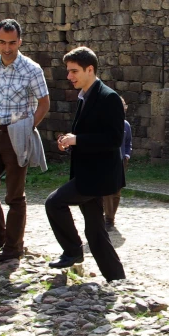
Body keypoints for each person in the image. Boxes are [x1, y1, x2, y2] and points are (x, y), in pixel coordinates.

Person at [45, 47, 126, 282]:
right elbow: (90, 133)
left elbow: (113, 139)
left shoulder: (108, 97)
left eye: (74, 71)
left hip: (96, 177)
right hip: (88, 172)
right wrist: (70, 140)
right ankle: (117, 279)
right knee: (96, 231)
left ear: (90, 70)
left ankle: (72, 251)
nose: (69, 76)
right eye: (68, 71)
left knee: (54, 203)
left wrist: (77, 139)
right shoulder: (85, 95)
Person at [0, 19, 50, 261]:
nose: (7, 48)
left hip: (16, 136)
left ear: (20, 41)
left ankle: (14, 246)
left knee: (15, 196)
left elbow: (44, 103)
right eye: (3, 42)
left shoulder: (32, 69)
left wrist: (27, 128)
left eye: (12, 43)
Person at [102, 96, 132, 230]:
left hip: (121, 161)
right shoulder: (104, 124)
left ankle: (110, 216)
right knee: (107, 191)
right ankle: (108, 219)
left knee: (117, 192)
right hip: (106, 161)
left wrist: (127, 155)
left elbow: (128, 142)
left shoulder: (126, 125)